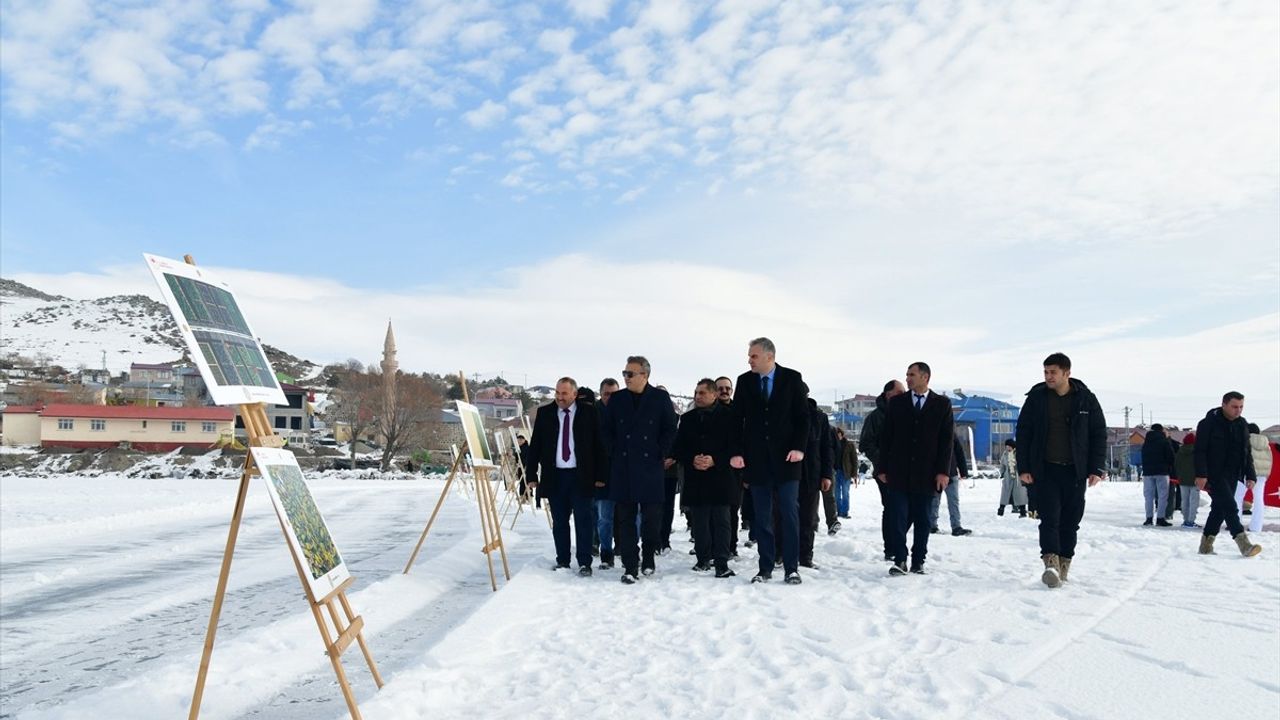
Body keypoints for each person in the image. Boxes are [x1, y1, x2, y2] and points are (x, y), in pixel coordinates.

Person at [1016, 352, 1106, 588]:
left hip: (1075, 471)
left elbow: (1098, 434)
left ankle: (1064, 563)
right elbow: (1023, 432)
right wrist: (1024, 467)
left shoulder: (1086, 399)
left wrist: (1096, 467)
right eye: (1045, 372)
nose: (1048, 376)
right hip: (1045, 469)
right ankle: (1051, 564)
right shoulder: (1037, 398)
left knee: (1071, 521)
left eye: (1053, 372)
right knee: (1049, 518)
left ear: (1067, 373)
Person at [729, 337, 810, 585]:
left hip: (788, 459)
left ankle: (791, 567)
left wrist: (799, 448)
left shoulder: (792, 379)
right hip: (757, 460)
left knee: (789, 513)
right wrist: (737, 451)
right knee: (762, 516)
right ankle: (765, 566)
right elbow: (736, 420)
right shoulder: (744, 382)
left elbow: (803, 418)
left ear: (769, 357)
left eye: (754, 356)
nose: (749, 360)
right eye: (749, 356)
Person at [600, 356, 678, 583]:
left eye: (630, 374)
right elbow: (605, 429)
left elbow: (670, 428)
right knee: (625, 519)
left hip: (650, 466)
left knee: (652, 519)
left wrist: (659, 451)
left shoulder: (660, 398)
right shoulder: (617, 399)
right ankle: (630, 566)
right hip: (623, 466)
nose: (626, 378)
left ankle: (649, 558)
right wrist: (613, 449)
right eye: (624, 373)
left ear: (644, 375)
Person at [876, 362, 954, 576]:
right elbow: (887, 438)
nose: (908, 378)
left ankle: (918, 559)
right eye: (907, 374)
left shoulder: (942, 404)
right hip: (898, 471)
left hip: (927, 473)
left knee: (923, 518)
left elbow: (946, 442)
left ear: (925, 377)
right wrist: (882, 467)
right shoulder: (897, 403)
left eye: (912, 375)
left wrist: (943, 471)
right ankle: (900, 559)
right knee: (898, 516)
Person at [525, 377, 607, 576]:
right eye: (557, 393)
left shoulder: (589, 412)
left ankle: (584, 562)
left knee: (583, 521)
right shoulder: (545, 414)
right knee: (560, 521)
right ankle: (562, 560)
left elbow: (600, 445)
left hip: (582, 476)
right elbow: (535, 445)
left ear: (574, 394)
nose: (559, 398)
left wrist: (601, 474)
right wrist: (531, 474)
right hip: (555, 476)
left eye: (564, 394)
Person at [672, 379, 738, 578]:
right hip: (696, 477)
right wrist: (692, 458)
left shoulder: (729, 416)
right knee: (699, 521)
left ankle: (721, 562)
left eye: (702, 393)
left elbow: (735, 447)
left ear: (713, 394)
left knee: (722, 521)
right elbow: (678, 447)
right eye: (696, 393)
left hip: (721, 477)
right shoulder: (688, 418)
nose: (698, 396)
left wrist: (715, 460)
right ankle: (702, 559)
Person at [1194, 392, 1261, 557]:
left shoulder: (1242, 424)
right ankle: (1243, 543)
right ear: (1224, 405)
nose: (1238, 411)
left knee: (1219, 509)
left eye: (1241, 407)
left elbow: (1247, 452)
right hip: (1214, 474)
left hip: (1233, 473)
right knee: (1230, 506)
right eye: (1234, 407)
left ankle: (1205, 545)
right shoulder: (1208, 423)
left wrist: (1250, 474)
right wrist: (1201, 474)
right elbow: (1200, 451)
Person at [861, 379, 905, 561]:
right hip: (884, 472)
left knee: (903, 510)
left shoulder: (905, 412)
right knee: (891, 508)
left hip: (905, 469)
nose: (904, 395)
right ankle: (891, 548)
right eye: (900, 392)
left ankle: (898, 545)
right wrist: (883, 464)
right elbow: (866, 443)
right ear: (889, 395)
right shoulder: (875, 417)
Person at [798, 395, 834, 567]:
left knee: (808, 517)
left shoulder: (819, 417)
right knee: (780, 516)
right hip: (785, 475)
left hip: (811, 475)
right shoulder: (782, 413)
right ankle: (780, 553)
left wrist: (827, 475)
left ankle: (805, 556)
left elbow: (827, 448)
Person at [716, 376, 745, 556]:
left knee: (732, 509)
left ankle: (731, 546)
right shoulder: (708, 410)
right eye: (720, 388)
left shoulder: (739, 411)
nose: (724, 391)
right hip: (712, 467)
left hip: (734, 469)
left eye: (727, 388)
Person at [594, 378, 620, 568]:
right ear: (601, 393)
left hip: (625, 473)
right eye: (606, 394)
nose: (610, 398)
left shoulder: (627, 411)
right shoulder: (593, 414)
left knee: (631, 517)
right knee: (604, 518)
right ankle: (606, 552)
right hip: (602, 473)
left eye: (614, 394)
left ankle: (627, 549)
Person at [930, 435, 972, 536]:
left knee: (951, 502)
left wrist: (963, 471)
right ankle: (933, 525)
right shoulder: (933, 433)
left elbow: (959, 452)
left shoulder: (952, 435)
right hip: (937, 474)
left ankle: (955, 526)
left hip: (950, 473)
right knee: (936, 501)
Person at [1236, 423, 1272, 534]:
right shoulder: (1266, 444)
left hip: (1246, 474)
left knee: (1238, 497)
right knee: (1259, 500)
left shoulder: (1245, 441)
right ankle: (1256, 527)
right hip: (1261, 475)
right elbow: (1270, 459)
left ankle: (1236, 524)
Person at [1140, 423, 1175, 527]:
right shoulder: (1164, 441)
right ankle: (1160, 518)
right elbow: (1171, 456)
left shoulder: (1146, 442)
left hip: (1147, 473)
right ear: (1161, 430)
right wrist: (1169, 467)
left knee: (1149, 496)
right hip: (1162, 472)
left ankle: (1149, 518)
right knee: (1162, 496)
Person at [1174, 432, 1200, 528]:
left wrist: (1179, 475)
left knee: (1184, 501)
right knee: (1194, 501)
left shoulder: (1180, 452)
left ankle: (1185, 520)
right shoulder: (1197, 452)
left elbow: (1176, 465)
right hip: (1195, 480)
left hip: (1182, 480)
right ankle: (1191, 521)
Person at [998, 438, 1028, 517]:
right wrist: (1002, 473)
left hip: (1018, 477)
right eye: (1006, 446)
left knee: (1020, 496)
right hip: (1008, 477)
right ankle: (1000, 512)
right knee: (1004, 495)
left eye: (1008, 446)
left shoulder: (1019, 454)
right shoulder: (1005, 454)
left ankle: (1023, 512)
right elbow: (1002, 465)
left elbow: (1023, 463)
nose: (1007, 448)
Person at [836, 427, 857, 518]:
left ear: (841, 434)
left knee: (845, 493)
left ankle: (845, 512)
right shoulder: (832, 444)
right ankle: (839, 511)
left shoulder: (849, 445)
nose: (837, 436)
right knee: (836, 494)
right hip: (835, 472)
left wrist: (855, 473)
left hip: (846, 472)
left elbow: (854, 460)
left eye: (839, 434)